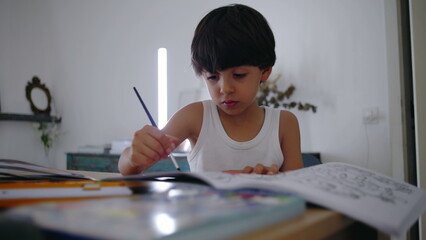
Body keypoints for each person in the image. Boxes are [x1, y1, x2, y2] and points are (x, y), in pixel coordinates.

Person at [118, 4, 303, 176]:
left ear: (265, 71)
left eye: (238, 75)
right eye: (213, 77)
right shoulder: (195, 117)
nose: (225, 88)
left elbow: (302, 188)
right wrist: (134, 155)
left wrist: (277, 180)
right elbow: (127, 169)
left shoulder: (284, 124)